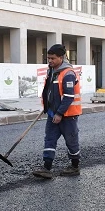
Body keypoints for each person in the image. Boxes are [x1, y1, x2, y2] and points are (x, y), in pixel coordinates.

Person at [32, 44, 82, 179]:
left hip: (68, 115)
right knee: (49, 139)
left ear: (61, 57)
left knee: (71, 141)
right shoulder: (52, 71)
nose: (50, 61)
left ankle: (75, 166)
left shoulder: (68, 74)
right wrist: (48, 107)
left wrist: (60, 113)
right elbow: (49, 92)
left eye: (52, 58)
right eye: (48, 58)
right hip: (52, 113)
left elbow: (69, 97)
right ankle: (46, 168)